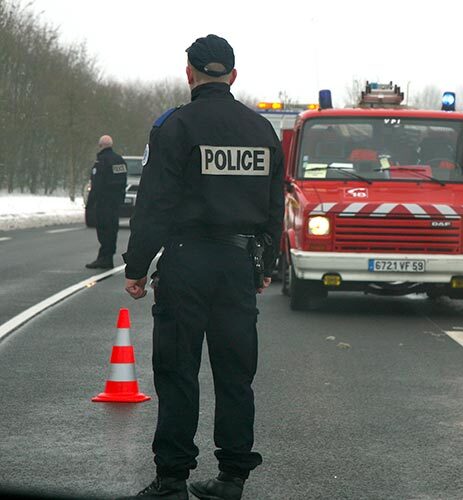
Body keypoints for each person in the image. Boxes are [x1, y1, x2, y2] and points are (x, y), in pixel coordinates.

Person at [120, 34, 284, 500]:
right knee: (235, 375)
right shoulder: (261, 131)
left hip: (187, 262)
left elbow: (154, 203)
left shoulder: (175, 126)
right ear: (233, 76)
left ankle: (172, 479)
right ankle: (232, 478)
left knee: (177, 372)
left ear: (189, 73)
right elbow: (276, 204)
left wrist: (136, 266)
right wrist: (264, 263)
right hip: (238, 264)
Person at [85, 135, 127, 269]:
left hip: (103, 202)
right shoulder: (119, 160)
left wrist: (90, 204)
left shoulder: (101, 162)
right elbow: (122, 181)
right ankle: (108, 256)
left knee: (103, 229)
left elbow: (96, 185)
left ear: (101, 146)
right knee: (112, 229)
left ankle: (104, 258)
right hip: (115, 202)